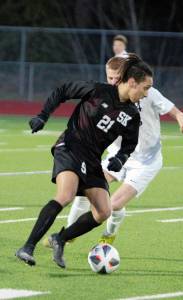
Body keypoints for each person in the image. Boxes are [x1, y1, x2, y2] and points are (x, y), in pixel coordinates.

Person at [15, 54, 153, 269]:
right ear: (132, 82)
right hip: (70, 146)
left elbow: (129, 144)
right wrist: (43, 115)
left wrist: (120, 158)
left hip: (92, 159)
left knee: (104, 211)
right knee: (65, 195)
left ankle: (59, 239)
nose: (146, 94)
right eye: (145, 88)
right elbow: (63, 90)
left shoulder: (133, 114)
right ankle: (27, 247)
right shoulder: (97, 90)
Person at [66, 57, 183, 246]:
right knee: (84, 189)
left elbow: (177, 112)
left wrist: (182, 120)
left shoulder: (147, 92)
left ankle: (109, 234)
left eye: (117, 78)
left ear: (126, 77)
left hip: (145, 162)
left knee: (114, 204)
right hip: (117, 157)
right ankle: (68, 234)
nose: (113, 82)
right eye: (109, 78)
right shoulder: (102, 96)